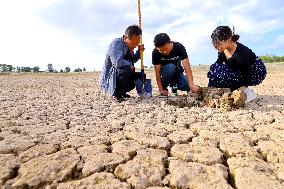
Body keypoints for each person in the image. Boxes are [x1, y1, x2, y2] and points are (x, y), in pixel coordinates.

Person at [208, 26, 267, 103]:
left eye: (218, 43)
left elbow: (247, 75)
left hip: (254, 71)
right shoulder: (223, 50)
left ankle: (247, 92)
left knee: (229, 77)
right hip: (237, 68)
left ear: (228, 40)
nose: (215, 46)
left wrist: (236, 88)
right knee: (215, 70)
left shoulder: (241, 53)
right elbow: (218, 65)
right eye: (214, 43)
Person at [100, 25, 146, 102]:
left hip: (122, 72)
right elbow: (118, 63)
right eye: (133, 43)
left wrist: (139, 52)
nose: (135, 46)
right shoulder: (116, 44)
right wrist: (130, 65)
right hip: (111, 79)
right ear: (125, 38)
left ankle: (122, 92)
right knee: (126, 69)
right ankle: (116, 94)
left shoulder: (129, 46)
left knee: (139, 74)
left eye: (137, 43)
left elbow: (132, 60)